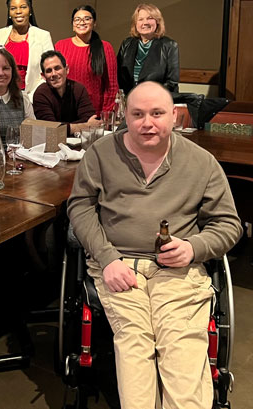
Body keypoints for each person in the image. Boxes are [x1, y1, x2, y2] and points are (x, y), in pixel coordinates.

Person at [67, 81, 242, 409]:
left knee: (182, 346)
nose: (147, 123)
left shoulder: (201, 163)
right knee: (134, 342)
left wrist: (194, 247)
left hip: (179, 269)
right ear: (126, 116)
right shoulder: (101, 154)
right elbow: (80, 206)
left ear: (174, 116)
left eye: (157, 113)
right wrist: (107, 258)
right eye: (138, 114)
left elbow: (229, 225)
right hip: (120, 265)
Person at [55, 5, 118, 117]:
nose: (82, 22)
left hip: (94, 113)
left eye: (87, 19)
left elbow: (111, 86)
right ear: (73, 25)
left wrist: (105, 114)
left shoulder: (105, 47)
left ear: (94, 23)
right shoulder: (61, 46)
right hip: (65, 109)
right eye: (77, 19)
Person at [0, 0, 53, 97]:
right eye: (13, 8)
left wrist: (34, 95)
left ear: (30, 10)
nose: (18, 12)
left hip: (32, 96)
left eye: (23, 7)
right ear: (9, 13)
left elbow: (50, 69)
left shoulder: (43, 36)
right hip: (1, 94)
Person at [116, 3, 179, 95]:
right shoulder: (126, 44)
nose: (145, 23)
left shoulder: (169, 45)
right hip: (129, 100)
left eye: (150, 18)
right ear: (136, 24)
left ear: (157, 21)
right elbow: (117, 76)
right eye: (140, 19)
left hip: (157, 100)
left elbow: (172, 83)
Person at [33, 50, 99, 136]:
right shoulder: (40, 94)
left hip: (79, 141)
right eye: (49, 71)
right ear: (43, 76)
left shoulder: (79, 89)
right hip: (51, 144)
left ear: (67, 69)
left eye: (57, 68)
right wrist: (85, 126)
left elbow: (90, 118)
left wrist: (62, 127)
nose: (54, 74)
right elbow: (51, 129)